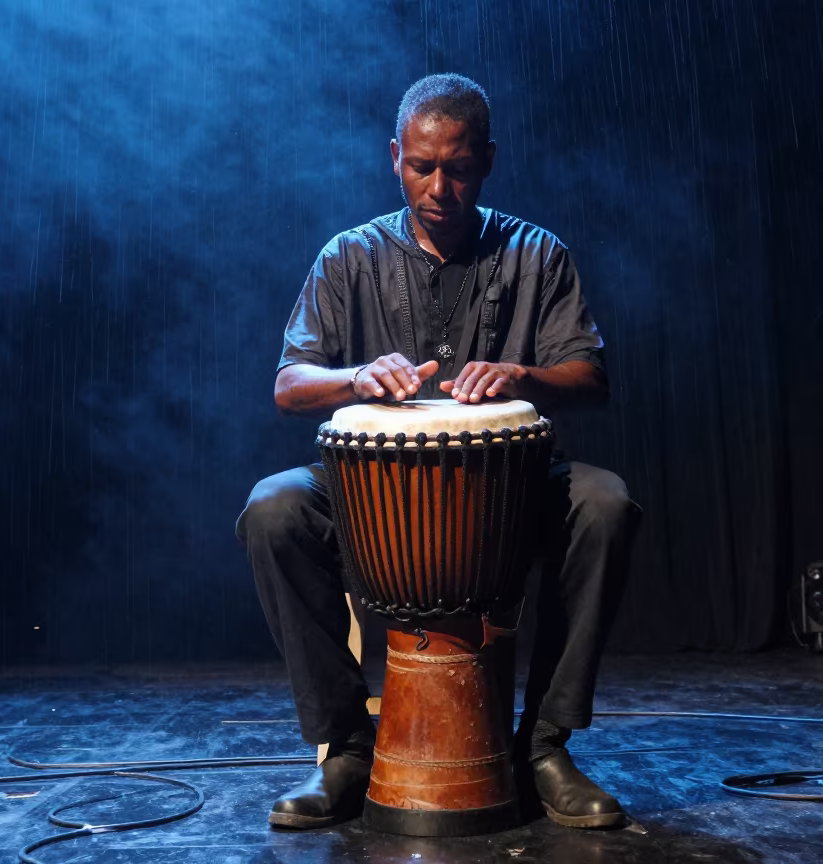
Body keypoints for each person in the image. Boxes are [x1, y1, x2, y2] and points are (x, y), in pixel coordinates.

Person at [237, 74, 640, 831]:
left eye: (457, 168)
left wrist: (522, 375)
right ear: (396, 156)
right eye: (422, 166)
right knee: (273, 510)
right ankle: (347, 749)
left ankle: (544, 747)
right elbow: (289, 384)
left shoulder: (536, 254)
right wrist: (356, 376)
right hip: (372, 503)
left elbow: (590, 378)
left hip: (511, 496)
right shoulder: (349, 257)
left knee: (605, 504)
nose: (439, 188)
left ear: (487, 160)